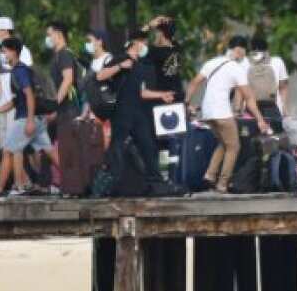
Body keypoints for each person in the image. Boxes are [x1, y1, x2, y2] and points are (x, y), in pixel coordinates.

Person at [185, 37, 271, 193]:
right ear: (238, 50)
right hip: (222, 112)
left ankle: (210, 175)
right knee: (234, 147)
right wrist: (260, 119)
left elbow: (194, 83)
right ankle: (222, 183)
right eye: (244, 52)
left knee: (224, 143)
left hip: (207, 113)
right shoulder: (236, 68)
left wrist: (187, 104)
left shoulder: (212, 62)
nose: (244, 55)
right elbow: (249, 97)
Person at [0, 37, 61, 198]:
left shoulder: (19, 71)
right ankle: (75, 183)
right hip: (38, 119)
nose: (3, 55)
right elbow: (15, 101)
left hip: (27, 119)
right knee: (50, 152)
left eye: (4, 51)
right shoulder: (18, 71)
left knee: (7, 151)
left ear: (13, 52)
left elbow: (29, 95)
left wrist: (30, 120)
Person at [96, 31, 174, 187]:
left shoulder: (140, 65)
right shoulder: (120, 58)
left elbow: (142, 92)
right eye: (143, 43)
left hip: (137, 112)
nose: (145, 46)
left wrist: (161, 95)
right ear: (135, 43)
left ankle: (156, 180)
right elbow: (100, 76)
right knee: (117, 145)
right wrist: (120, 66)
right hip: (121, 111)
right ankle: (111, 179)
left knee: (147, 144)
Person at [0, 17, 33, 194]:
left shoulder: (23, 51)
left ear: (4, 31)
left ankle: (18, 185)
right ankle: (25, 183)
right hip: (3, 106)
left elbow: (27, 80)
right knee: (7, 148)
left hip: (15, 105)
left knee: (14, 147)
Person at [45, 21, 80, 138]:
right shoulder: (58, 56)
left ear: (59, 34)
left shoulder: (64, 54)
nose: (47, 38)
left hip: (67, 112)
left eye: (49, 35)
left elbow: (67, 79)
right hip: (61, 111)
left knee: (67, 147)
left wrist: (53, 105)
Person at [248, 36, 290, 123]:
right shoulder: (277, 61)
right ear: (267, 50)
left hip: (251, 110)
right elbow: (283, 87)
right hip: (274, 108)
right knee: (274, 131)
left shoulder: (245, 63)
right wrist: (284, 108)